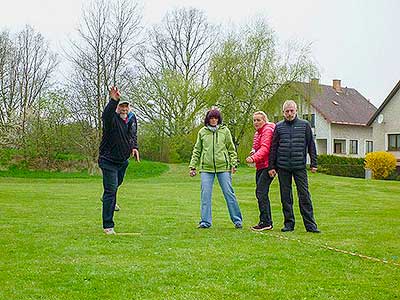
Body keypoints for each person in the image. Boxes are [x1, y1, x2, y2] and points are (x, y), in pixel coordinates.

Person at [268, 100, 320, 233]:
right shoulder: (278, 127)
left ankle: (310, 225)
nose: (289, 113)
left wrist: (314, 163)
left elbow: (311, 145)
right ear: (283, 112)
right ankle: (289, 224)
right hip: (283, 167)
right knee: (286, 197)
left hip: (300, 167)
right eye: (287, 111)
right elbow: (273, 148)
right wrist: (271, 166)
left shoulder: (305, 125)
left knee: (304, 196)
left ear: (296, 111)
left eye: (292, 111)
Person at [189, 108, 243, 229]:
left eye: (216, 118)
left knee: (229, 193)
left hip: (223, 167)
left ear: (219, 119)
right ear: (208, 119)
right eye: (211, 118)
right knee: (205, 195)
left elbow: (231, 149)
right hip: (206, 169)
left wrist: (233, 164)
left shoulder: (225, 131)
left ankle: (237, 220)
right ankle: (205, 222)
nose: (213, 120)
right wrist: (193, 166)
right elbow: (197, 150)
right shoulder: (202, 132)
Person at [98, 86, 140, 235]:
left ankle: (106, 197)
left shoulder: (131, 118)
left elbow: (133, 134)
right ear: (117, 107)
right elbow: (106, 114)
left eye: (126, 106)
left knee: (115, 185)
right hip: (108, 160)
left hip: (122, 161)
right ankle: (108, 226)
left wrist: (134, 147)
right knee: (111, 190)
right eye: (121, 105)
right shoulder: (111, 119)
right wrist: (113, 100)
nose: (124, 109)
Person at [245, 111, 276, 231]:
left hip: (268, 165)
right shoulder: (257, 133)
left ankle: (266, 222)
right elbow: (256, 146)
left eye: (258, 120)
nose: (256, 122)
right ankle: (265, 221)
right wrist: (253, 152)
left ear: (264, 120)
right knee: (260, 192)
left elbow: (265, 148)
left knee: (261, 192)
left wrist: (253, 158)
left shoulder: (267, 130)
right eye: (254, 120)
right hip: (260, 166)